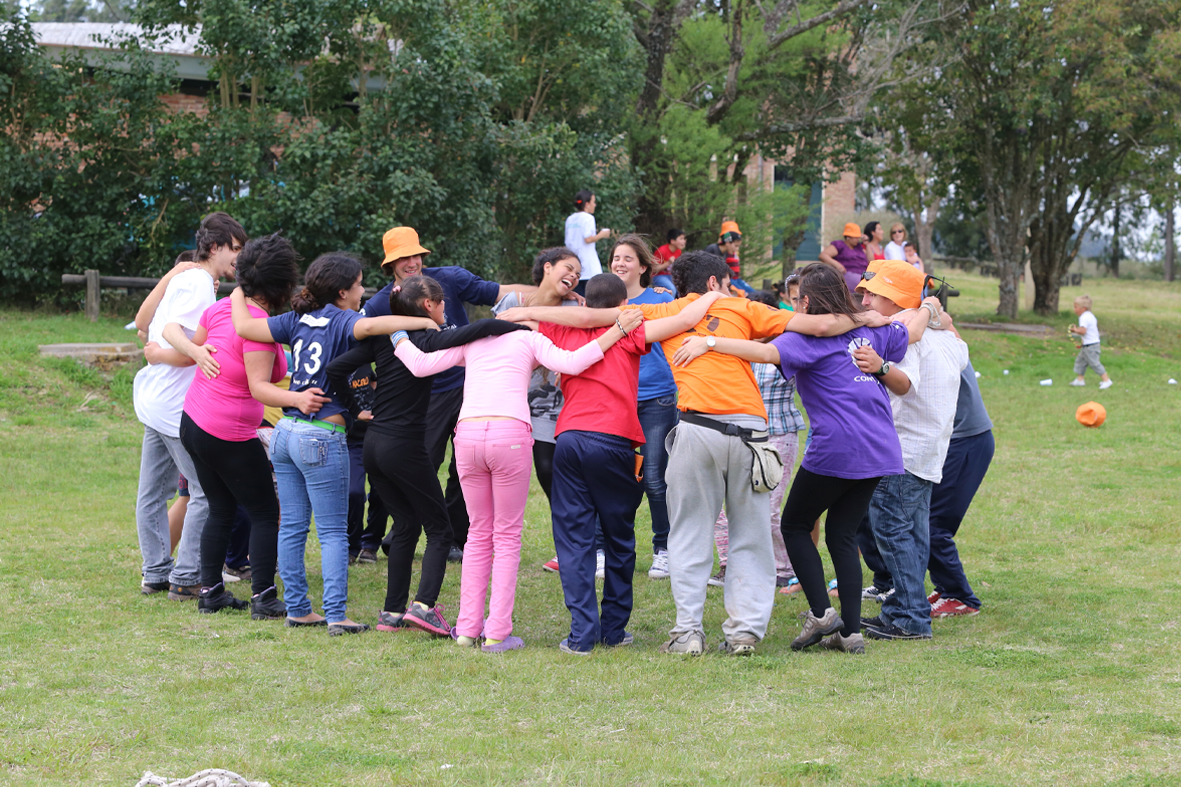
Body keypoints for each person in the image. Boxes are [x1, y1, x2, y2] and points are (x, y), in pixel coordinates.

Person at [505, 251, 888, 656]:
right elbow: (824, 324)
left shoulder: (666, 309)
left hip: (696, 427)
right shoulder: (743, 306)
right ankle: (743, 634)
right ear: (715, 282)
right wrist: (870, 319)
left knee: (688, 533)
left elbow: (592, 319)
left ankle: (688, 633)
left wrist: (521, 314)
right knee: (751, 535)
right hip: (751, 432)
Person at [672, 263, 938, 654]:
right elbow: (912, 330)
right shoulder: (872, 330)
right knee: (842, 535)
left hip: (837, 448)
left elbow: (761, 351)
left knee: (794, 524)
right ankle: (850, 633)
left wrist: (710, 343)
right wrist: (929, 306)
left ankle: (821, 614)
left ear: (808, 302)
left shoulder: (804, 339)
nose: (793, 306)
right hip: (881, 448)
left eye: (797, 300)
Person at [392, 294, 636, 653]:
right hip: (509, 435)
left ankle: (466, 629)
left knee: (477, 534)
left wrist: (396, 332)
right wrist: (617, 330)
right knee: (506, 536)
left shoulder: (472, 340)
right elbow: (572, 363)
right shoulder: (529, 339)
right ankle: (497, 633)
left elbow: (419, 364)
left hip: (469, 435)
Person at [499, 274, 727, 654]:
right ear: (626, 303)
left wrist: (531, 306)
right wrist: (714, 294)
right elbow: (686, 320)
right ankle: (614, 630)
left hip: (570, 439)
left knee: (574, 539)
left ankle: (581, 636)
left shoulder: (560, 327)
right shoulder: (630, 330)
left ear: (585, 303)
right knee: (619, 538)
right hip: (616, 441)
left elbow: (527, 319)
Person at [230, 252, 438, 634]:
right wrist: (425, 319)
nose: (363, 291)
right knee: (332, 531)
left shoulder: (295, 319)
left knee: (292, 526)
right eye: (359, 285)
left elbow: (244, 326)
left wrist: (237, 289)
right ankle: (337, 614)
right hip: (321, 434)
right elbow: (382, 324)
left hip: (286, 432)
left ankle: (297, 608)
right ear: (343, 291)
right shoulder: (347, 320)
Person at [326, 275, 528, 637]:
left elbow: (335, 369)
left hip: (374, 444)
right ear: (429, 306)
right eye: (443, 304)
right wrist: (518, 325)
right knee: (440, 528)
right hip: (404, 446)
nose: (446, 310)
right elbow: (479, 327)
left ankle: (391, 613)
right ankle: (423, 608)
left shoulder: (387, 338)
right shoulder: (429, 338)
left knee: (404, 524)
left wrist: (358, 408)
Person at [362, 226, 538, 562]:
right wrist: (368, 390)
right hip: (420, 397)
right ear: (390, 264)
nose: (412, 262)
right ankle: (392, 534)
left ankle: (456, 537)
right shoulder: (378, 304)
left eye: (416, 254)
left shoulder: (449, 279)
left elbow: (502, 293)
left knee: (465, 467)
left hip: (470, 387)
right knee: (418, 463)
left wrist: (551, 292)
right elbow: (361, 349)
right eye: (403, 257)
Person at [171, 233, 320, 619]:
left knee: (221, 506)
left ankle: (211, 593)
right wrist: (298, 399)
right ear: (282, 284)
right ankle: (264, 598)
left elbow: (199, 349)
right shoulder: (257, 327)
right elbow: (261, 388)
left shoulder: (223, 308)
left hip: (194, 423)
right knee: (265, 512)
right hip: (227, 434)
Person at [853, 259, 969, 642]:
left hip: (901, 450)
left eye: (874, 294)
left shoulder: (904, 338)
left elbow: (904, 385)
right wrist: (934, 314)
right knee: (913, 533)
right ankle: (912, 609)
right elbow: (960, 349)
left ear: (895, 299)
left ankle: (907, 616)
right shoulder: (947, 340)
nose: (866, 301)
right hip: (929, 450)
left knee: (892, 531)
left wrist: (879, 366)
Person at [132, 212, 245, 599]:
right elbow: (183, 347)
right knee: (203, 493)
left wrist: (158, 354)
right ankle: (186, 577)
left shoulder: (185, 277)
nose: (238, 259)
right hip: (174, 408)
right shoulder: (197, 282)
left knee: (151, 495)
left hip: (152, 400)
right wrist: (178, 355)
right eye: (235, 249)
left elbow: (146, 324)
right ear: (214, 248)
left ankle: (155, 573)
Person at [492, 248, 591, 575]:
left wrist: (533, 321)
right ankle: (491, 543)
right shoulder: (510, 303)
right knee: (501, 476)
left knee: (550, 474)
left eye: (578, 273)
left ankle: (569, 548)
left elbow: (569, 351)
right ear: (547, 268)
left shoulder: (575, 307)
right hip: (510, 401)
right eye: (568, 268)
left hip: (552, 403)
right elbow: (493, 343)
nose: (574, 277)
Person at [608, 235, 680, 580]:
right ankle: (604, 549)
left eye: (627, 259)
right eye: (615, 258)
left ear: (643, 266)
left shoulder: (661, 298)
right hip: (615, 398)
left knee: (653, 477)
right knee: (611, 478)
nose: (620, 263)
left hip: (657, 399)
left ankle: (663, 549)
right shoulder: (602, 300)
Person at [928, 359, 994, 618]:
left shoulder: (930, 327)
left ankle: (960, 596)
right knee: (925, 520)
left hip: (966, 441)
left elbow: (940, 319)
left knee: (933, 524)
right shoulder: (921, 329)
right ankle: (945, 588)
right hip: (957, 439)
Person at [564, 190, 611, 295]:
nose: (595, 205)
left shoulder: (570, 219)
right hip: (589, 267)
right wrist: (602, 234)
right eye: (593, 202)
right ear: (587, 204)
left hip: (574, 265)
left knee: (577, 297)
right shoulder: (588, 218)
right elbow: (588, 238)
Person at [1069, 295, 1113, 389]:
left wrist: (1075, 330)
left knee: (1094, 363)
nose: (1074, 309)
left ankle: (1106, 380)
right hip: (1087, 345)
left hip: (1091, 346)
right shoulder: (1090, 316)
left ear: (1083, 308)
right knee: (1080, 362)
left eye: (1076, 307)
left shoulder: (1084, 317)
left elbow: (1083, 331)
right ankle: (1080, 380)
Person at [819, 222, 871, 295]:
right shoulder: (840, 245)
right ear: (848, 237)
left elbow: (871, 261)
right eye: (855, 237)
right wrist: (837, 265)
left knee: (875, 280)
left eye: (858, 238)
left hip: (863, 274)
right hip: (847, 274)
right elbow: (823, 255)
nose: (857, 240)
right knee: (863, 284)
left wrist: (867, 244)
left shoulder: (859, 247)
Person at [704, 220, 754, 295]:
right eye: (736, 246)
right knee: (743, 294)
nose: (736, 249)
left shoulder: (725, 253)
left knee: (752, 293)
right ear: (727, 243)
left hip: (723, 281)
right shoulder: (712, 249)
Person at [653, 228, 686, 294]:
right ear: (672, 241)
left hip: (671, 276)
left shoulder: (678, 251)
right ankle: (670, 304)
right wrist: (668, 263)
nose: (684, 241)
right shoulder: (661, 251)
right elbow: (654, 269)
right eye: (681, 239)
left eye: (684, 239)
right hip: (657, 276)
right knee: (671, 289)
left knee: (682, 287)